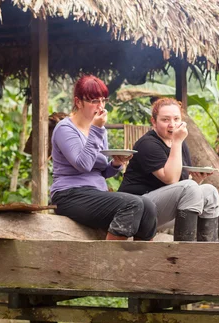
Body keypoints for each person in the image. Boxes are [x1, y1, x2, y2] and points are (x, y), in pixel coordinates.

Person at [50, 75, 157, 241]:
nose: (100, 106)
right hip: (69, 195)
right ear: (78, 102)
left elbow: (101, 171)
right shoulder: (65, 129)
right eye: (94, 101)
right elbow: (83, 165)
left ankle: (143, 262)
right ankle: (110, 262)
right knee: (133, 204)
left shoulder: (100, 130)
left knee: (149, 207)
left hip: (95, 192)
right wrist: (96, 130)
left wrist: (116, 163)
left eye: (103, 100)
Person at [118, 98, 219, 241]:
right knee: (190, 187)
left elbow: (182, 185)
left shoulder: (180, 144)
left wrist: (197, 179)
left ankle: (207, 251)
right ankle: (183, 253)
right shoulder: (148, 144)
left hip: (162, 208)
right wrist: (177, 141)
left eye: (176, 119)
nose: (172, 124)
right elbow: (170, 179)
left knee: (210, 192)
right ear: (153, 121)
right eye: (165, 120)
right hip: (137, 209)